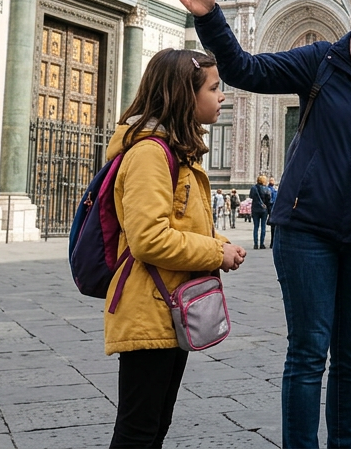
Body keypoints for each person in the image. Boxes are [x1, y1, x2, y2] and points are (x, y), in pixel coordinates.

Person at [171, 0, 351, 449]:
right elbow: (245, 70)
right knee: (310, 351)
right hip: (308, 227)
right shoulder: (325, 59)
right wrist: (210, 16)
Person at [103, 48, 247, 447]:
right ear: (186, 93)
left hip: (169, 306)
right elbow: (149, 237)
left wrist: (221, 243)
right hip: (148, 307)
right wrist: (216, 253)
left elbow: (182, 222)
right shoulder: (151, 153)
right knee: (138, 430)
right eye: (215, 88)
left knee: (153, 427)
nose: (222, 97)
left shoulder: (175, 151)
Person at [248, 175, 272, 250]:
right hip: (264, 210)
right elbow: (269, 199)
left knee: (256, 227)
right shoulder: (267, 189)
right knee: (263, 227)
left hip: (255, 209)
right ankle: (262, 244)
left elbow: (251, 196)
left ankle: (255, 244)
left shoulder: (253, 188)